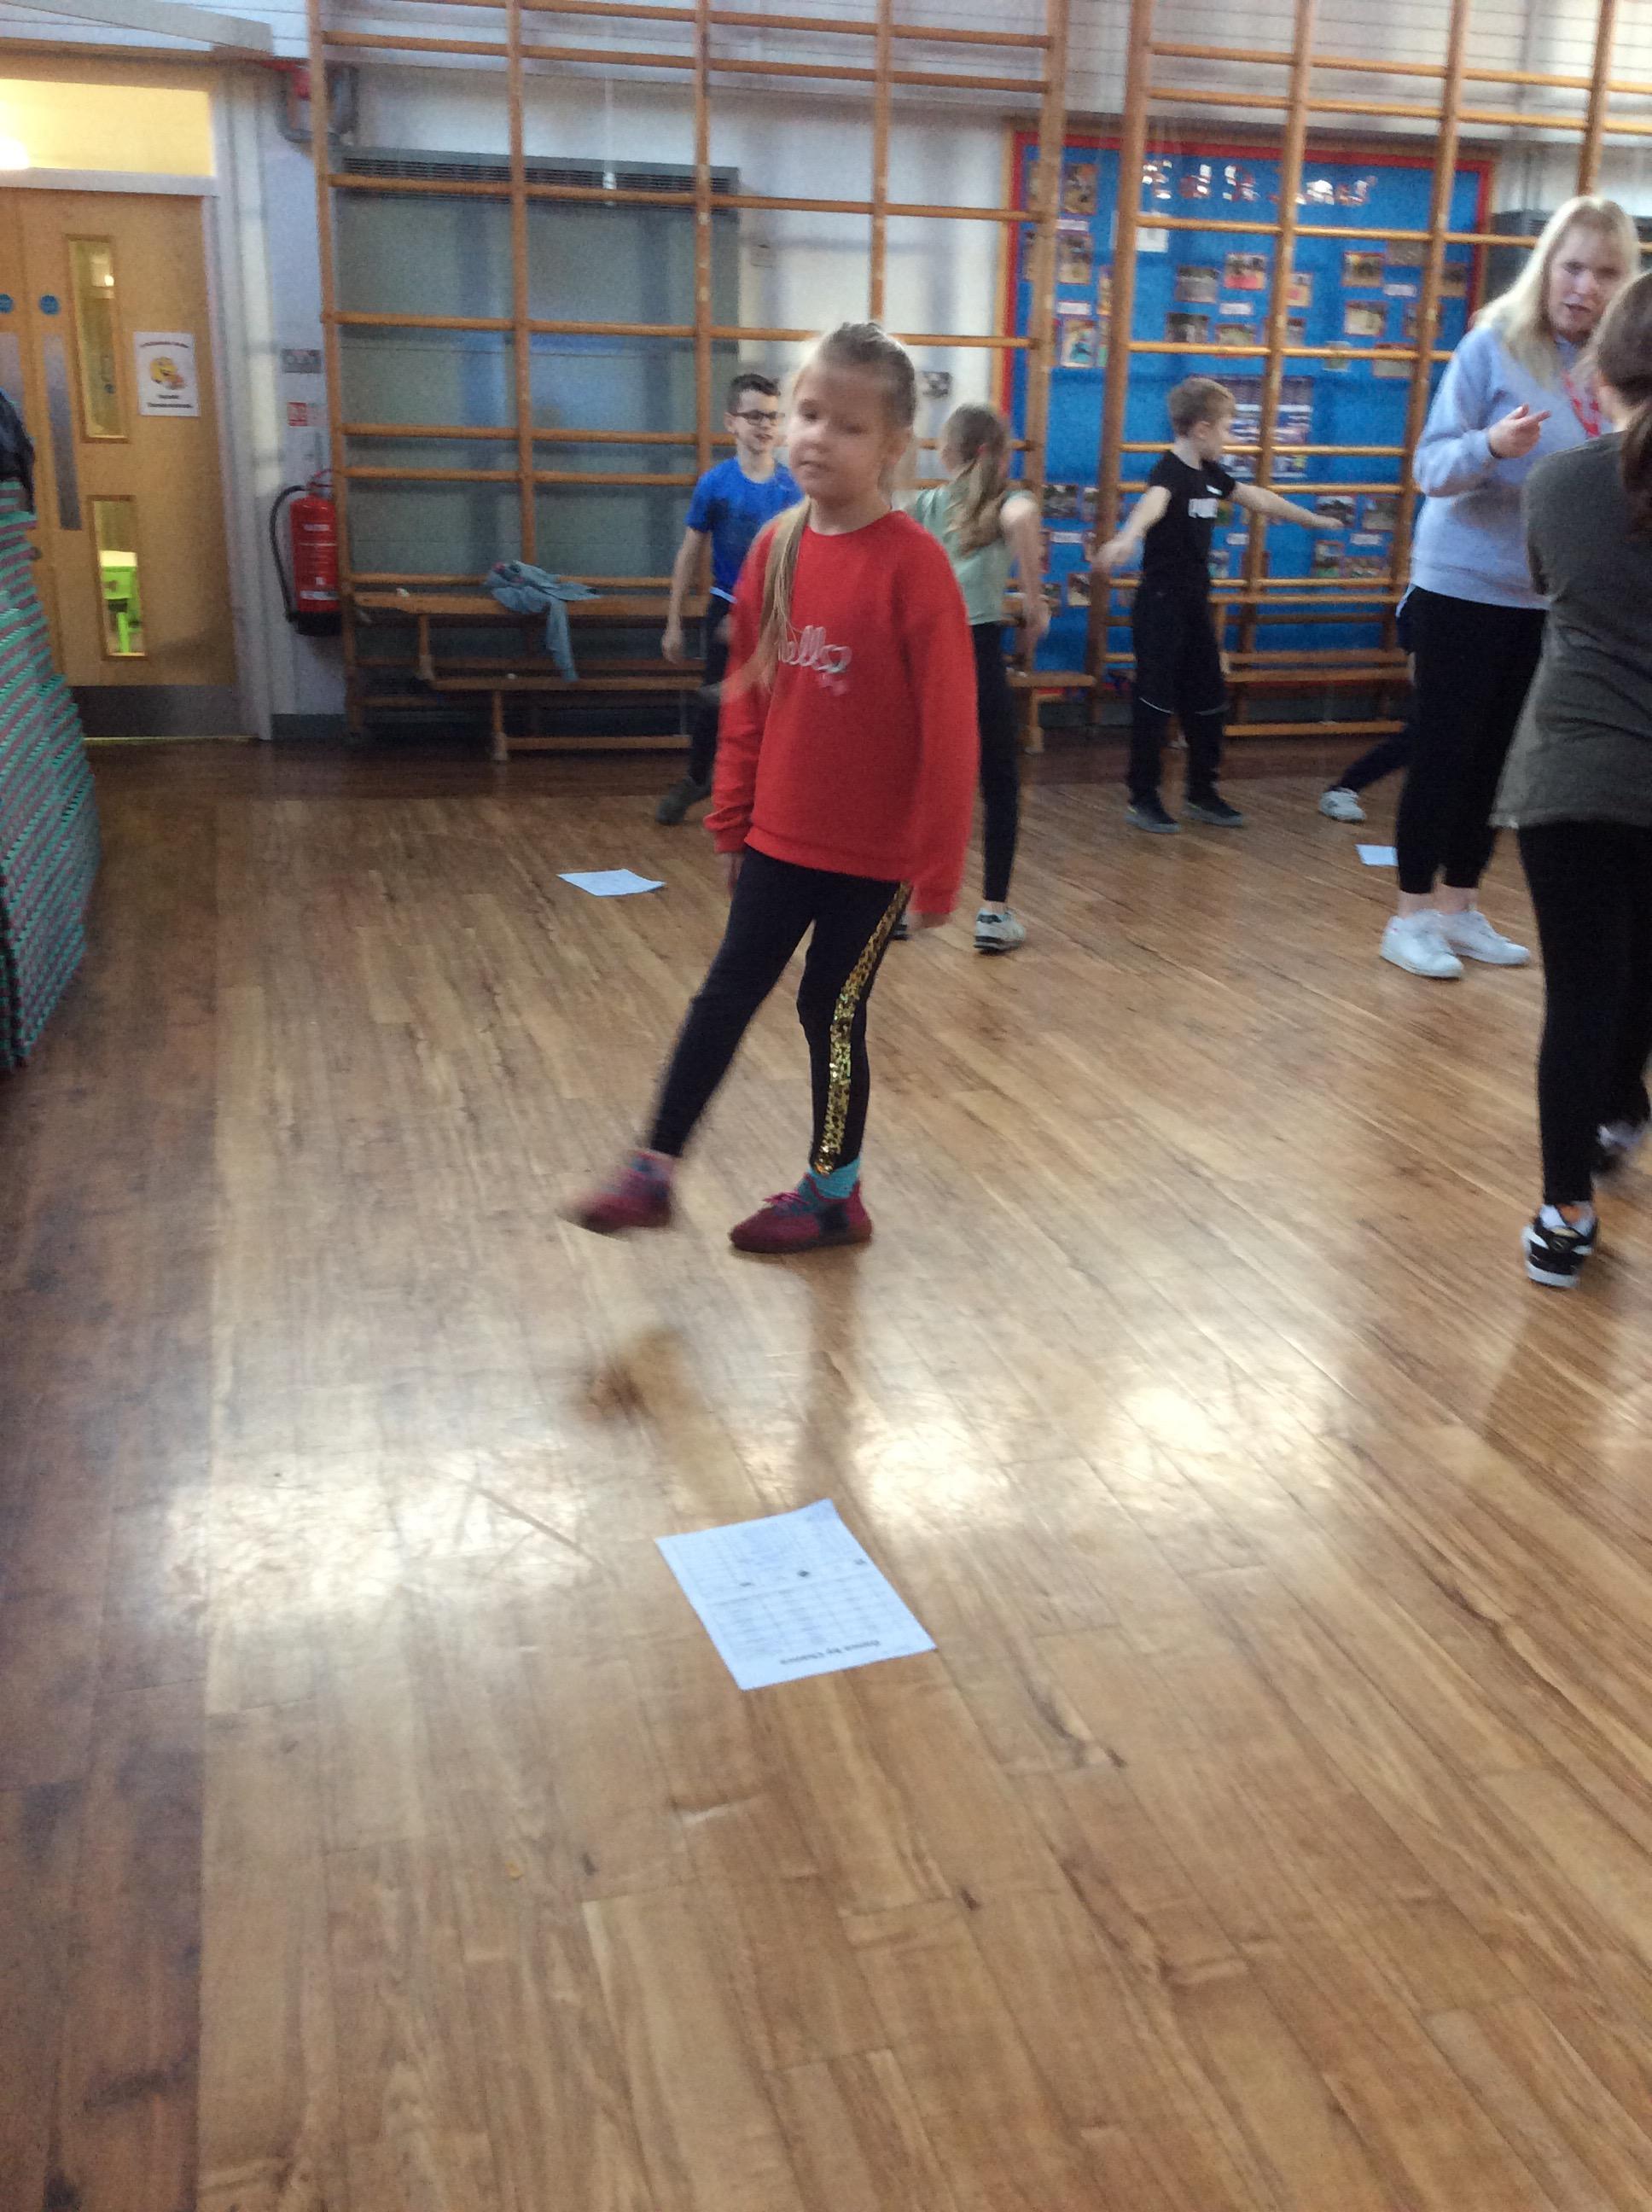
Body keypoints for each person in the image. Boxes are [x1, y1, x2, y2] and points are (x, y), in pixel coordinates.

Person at [570, 323, 977, 1255]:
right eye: (808, 414)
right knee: (724, 992)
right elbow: (748, 699)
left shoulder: (914, 565)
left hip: (875, 859)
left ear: (894, 447)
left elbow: (951, 733)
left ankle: (833, 1194)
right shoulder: (775, 547)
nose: (816, 438)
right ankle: (654, 1167)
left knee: (829, 1010)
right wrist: (733, 821)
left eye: (848, 426)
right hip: (779, 840)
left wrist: (937, 873)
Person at [1378, 195, 1637, 979]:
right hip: (1462, 588)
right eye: (1572, 267)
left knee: (1499, 764)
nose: (1585, 288)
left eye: (1606, 273)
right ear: (1546, 267)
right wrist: (1490, 445)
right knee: (1444, 753)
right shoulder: (1491, 346)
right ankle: (1409, 917)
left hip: (1549, 598)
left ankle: (1460, 906)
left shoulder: (1618, 367)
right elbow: (1430, 467)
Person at [1493, 272, 1652, 1289]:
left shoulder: (1556, 484)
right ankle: (1620, 1105)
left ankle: (1563, 1217)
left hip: (1571, 773)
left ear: (1605, 372)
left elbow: (1549, 583)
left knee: (1580, 992)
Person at [1094, 375, 1340, 832]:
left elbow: (1257, 498)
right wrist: (1129, 537)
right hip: (1160, 604)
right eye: (1227, 427)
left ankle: (1202, 793)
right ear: (1202, 429)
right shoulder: (1169, 472)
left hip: (1194, 604)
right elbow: (1152, 504)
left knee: (1208, 698)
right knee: (1155, 701)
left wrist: (1310, 520)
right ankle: (1143, 797)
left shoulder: (1211, 474)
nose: (1230, 437)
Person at [909, 404, 1049, 952]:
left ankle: (902, 903)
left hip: (927, 660)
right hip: (978, 655)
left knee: (918, 782)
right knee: (999, 783)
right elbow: (1020, 521)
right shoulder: (1010, 503)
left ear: (949, 452)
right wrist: (1034, 602)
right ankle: (993, 913)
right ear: (997, 453)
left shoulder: (927, 505)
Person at [655, 373, 800, 825]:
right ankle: (697, 777)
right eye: (755, 416)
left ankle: (773, 792)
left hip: (780, 609)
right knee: (715, 699)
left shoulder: (793, 487)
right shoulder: (715, 484)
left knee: (778, 702)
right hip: (726, 605)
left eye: (773, 417)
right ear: (731, 422)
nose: (765, 425)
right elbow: (688, 554)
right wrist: (673, 622)